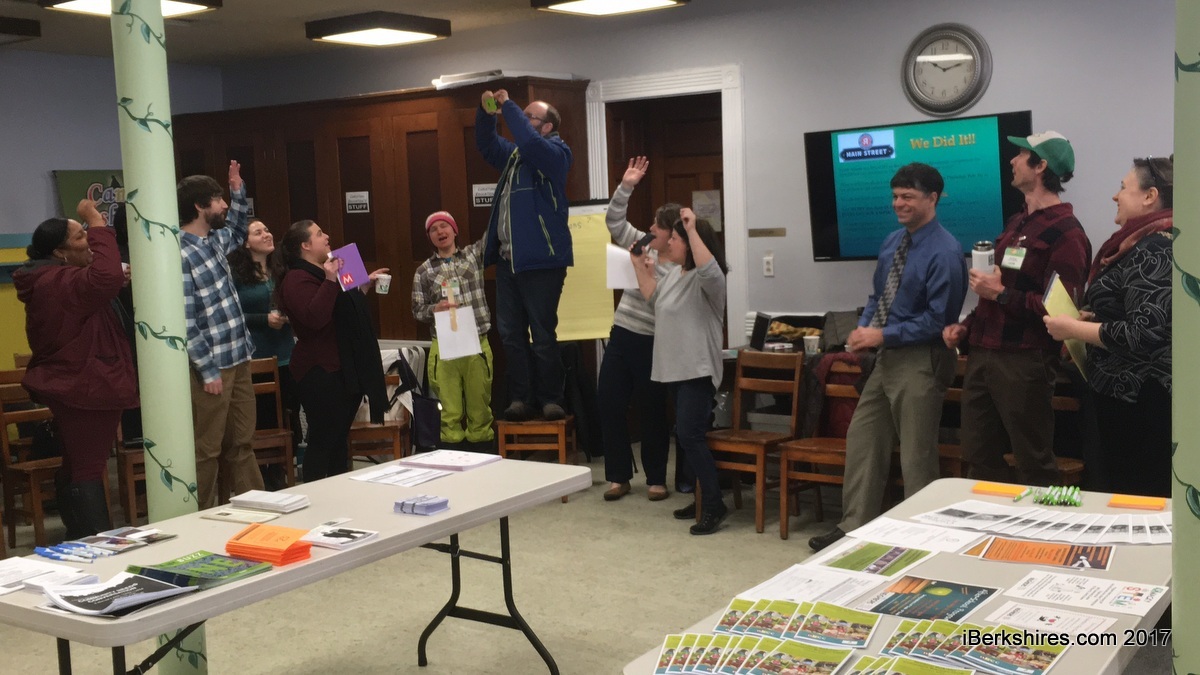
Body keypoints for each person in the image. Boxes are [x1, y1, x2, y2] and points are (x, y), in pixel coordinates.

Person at [809, 163, 966, 552]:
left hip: (922, 360)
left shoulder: (945, 251)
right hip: (887, 358)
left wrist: (881, 334)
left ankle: (922, 537)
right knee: (863, 437)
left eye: (908, 196)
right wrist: (865, 329)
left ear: (932, 198)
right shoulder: (892, 241)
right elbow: (878, 296)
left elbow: (938, 320)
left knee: (916, 454)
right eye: (895, 196)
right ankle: (853, 528)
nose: (899, 203)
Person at [943, 132, 1092, 486]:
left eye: (1021, 155)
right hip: (983, 350)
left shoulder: (1068, 234)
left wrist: (1000, 295)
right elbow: (997, 289)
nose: (1011, 160)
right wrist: (966, 326)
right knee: (978, 454)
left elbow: (1062, 313)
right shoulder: (1017, 222)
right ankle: (990, 520)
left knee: (1032, 460)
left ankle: (1043, 523)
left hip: (1025, 360)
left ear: (1041, 166)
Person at [1045, 156, 1173, 497]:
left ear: (1150, 196)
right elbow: (1131, 314)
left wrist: (1073, 330)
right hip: (1122, 398)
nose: (1115, 196)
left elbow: (1143, 333)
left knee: (1138, 496)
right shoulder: (1136, 243)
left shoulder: (1156, 247)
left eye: (1123, 187)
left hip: (1140, 402)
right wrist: (1091, 319)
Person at [13, 199, 137, 538]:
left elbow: (102, 283)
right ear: (60, 253)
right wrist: (96, 221)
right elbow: (105, 277)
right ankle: (98, 541)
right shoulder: (56, 281)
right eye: (81, 237)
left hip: (77, 382)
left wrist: (112, 279)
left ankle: (80, 537)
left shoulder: (51, 278)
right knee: (88, 467)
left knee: (78, 462)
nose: (89, 241)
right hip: (86, 385)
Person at [476, 87, 573, 422]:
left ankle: (551, 399)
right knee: (511, 335)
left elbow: (531, 144)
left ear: (547, 126)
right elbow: (488, 145)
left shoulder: (556, 153)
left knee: (542, 336)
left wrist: (508, 105)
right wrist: (486, 114)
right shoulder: (516, 155)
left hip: (542, 261)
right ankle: (521, 399)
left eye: (529, 115)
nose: (520, 118)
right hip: (509, 262)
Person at [631, 207, 728, 535]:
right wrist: (638, 265)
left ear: (690, 243)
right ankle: (702, 499)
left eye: (675, 238)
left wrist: (692, 228)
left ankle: (714, 504)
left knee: (689, 435)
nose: (668, 242)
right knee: (686, 438)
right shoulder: (674, 273)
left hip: (697, 371)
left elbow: (709, 267)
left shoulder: (709, 279)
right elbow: (653, 298)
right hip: (675, 370)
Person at [178, 161, 264, 509]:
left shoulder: (214, 240)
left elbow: (239, 227)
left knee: (242, 443)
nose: (223, 205)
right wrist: (207, 368)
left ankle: (259, 510)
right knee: (207, 448)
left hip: (239, 356)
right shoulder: (181, 253)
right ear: (200, 206)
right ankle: (195, 515)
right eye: (217, 199)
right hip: (212, 366)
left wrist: (237, 189)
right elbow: (185, 319)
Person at [275, 220, 388, 481]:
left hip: (343, 368)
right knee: (323, 441)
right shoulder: (296, 279)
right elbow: (315, 318)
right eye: (319, 234)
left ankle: (339, 493)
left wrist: (362, 288)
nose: (326, 236)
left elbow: (341, 311)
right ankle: (314, 493)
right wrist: (329, 280)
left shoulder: (325, 272)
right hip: (319, 372)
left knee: (338, 441)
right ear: (305, 245)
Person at [599, 156, 676, 502]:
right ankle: (618, 476)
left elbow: (663, 304)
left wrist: (646, 271)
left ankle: (656, 479)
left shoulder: (681, 265)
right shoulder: (643, 242)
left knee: (652, 410)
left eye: (657, 226)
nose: (650, 228)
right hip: (622, 334)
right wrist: (626, 186)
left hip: (653, 342)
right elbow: (613, 220)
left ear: (671, 234)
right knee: (609, 401)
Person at [411, 211, 495, 453]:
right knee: (449, 410)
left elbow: (492, 234)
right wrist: (434, 309)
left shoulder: (473, 255)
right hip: (444, 344)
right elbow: (417, 310)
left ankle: (483, 456)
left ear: (454, 230)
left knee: (480, 405)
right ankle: (451, 456)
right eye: (433, 229)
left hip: (476, 339)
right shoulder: (423, 271)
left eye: (444, 226)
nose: (440, 232)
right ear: (429, 237)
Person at [227, 219, 300, 487]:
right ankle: (261, 478)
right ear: (246, 243)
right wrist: (263, 319)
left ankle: (281, 475)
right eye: (258, 232)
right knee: (260, 420)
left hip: (286, 353)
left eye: (267, 230)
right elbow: (231, 314)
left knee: (289, 418)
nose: (267, 234)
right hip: (255, 355)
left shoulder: (281, 269)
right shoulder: (235, 274)